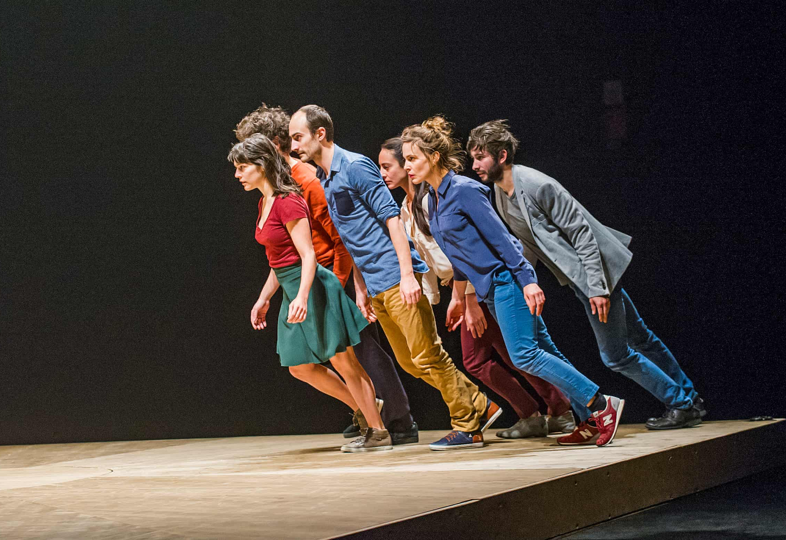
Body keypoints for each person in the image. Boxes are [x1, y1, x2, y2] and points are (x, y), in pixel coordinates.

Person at [401, 116, 626, 447]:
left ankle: (602, 404)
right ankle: (590, 419)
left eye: (412, 158)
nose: (407, 166)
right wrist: (458, 298)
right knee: (545, 351)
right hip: (490, 290)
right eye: (405, 159)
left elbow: (503, 240)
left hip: (506, 281)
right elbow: (460, 257)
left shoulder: (464, 191)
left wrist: (527, 280)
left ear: (434, 157)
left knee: (524, 355)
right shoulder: (433, 199)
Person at [467, 119, 705, 432]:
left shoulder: (537, 184)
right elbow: (529, 245)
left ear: (501, 156)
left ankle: (681, 404)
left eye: (480, 157)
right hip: (584, 279)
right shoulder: (501, 193)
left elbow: (581, 233)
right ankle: (690, 400)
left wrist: (597, 288)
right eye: (473, 158)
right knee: (641, 338)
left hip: (597, 275)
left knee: (616, 356)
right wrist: (526, 282)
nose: (475, 166)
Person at [289, 105, 500, 450]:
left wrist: (407, 275)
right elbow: (351, 239)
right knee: (409, 362)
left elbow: (392, 220)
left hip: (395, 276)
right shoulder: (326, 179)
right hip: (375, 284)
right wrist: (361, 289)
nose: (294, 146)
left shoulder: (355, 166)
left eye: (299, 137)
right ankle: (479, 403)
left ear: (320, 134)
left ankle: (467, 422)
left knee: (428, 356)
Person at [234, 105, 418, 445]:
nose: (240, 169)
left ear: (270, 148)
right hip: (302, 280)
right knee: (312, 362)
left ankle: (394, 421)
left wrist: (339, 284)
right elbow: (281, 255)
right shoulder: (272, 194)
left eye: (247, 157)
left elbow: (339, 235)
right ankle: (370, 414)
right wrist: (267, 296)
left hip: (328, 275)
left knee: (359, 355)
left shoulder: (305, 180)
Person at [378, 138, 575, 438]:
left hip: (480, 284)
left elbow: (472, 247)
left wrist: (469, 299)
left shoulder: (436, 198)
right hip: (462, 285)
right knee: (499, 356)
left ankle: (558, 408)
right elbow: (430, 258)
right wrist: (442, 298)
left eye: (391, 165)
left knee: (504, 355)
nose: (386, 172)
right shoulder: (408, 206)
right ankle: (543, 411)